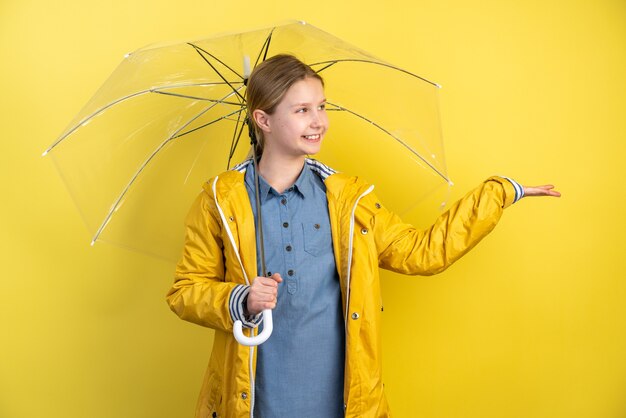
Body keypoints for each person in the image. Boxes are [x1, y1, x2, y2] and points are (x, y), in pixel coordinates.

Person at [166, 54, 560, 418]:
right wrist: (240, 298)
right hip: (253, 401)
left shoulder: (349, 202)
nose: (318, 121)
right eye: (302, 110)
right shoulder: (219, 201)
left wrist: (499, 193)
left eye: (321, 107)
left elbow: (422, 252)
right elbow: (185, 291)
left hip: (342, 403)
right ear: (263, 120)